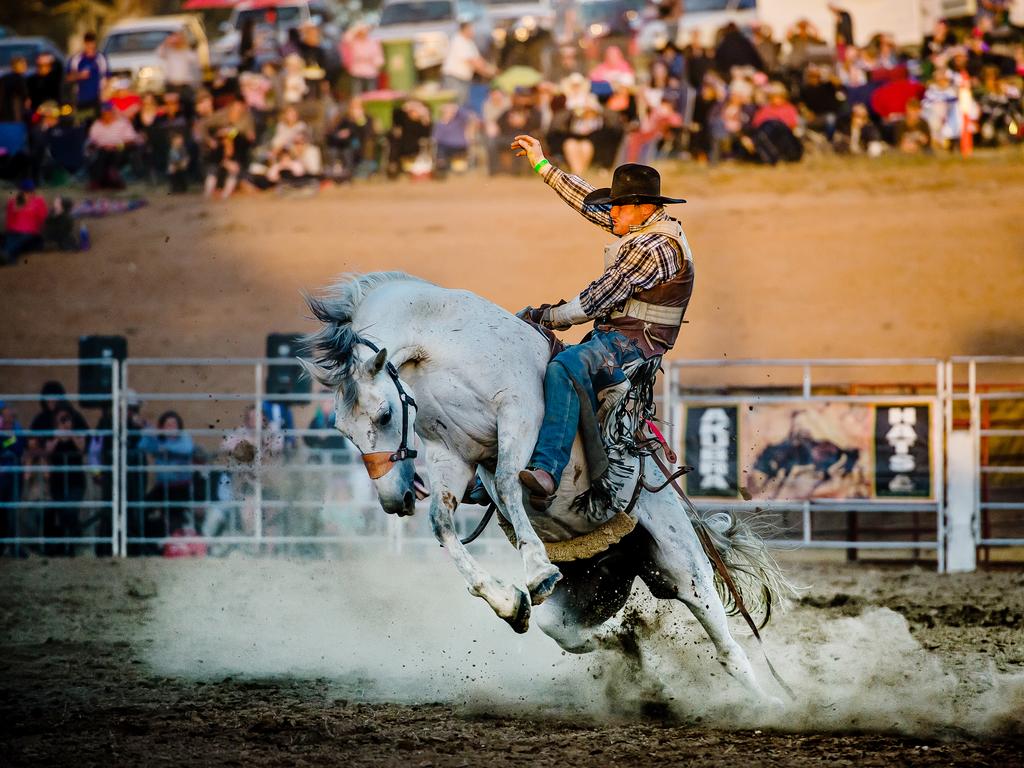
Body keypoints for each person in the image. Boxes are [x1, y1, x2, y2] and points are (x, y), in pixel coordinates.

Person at [509, 136, 693, 507]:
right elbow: (589, 202)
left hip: (633, 345)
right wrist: (543, 166)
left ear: (640, 208)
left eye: (618, 207)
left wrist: (545, 316)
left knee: (563, 369)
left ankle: (547, 469)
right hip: (617, 338)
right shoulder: (644, 228)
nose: (610, 213)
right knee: (548, 364)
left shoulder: (653, 248)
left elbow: (596, 300)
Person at [137, 410, 195, 540]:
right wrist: (148, 431)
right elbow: (142, 446)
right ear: (162, 427)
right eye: (167, 425)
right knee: (143, 508)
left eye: (174, 424)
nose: (171, 427)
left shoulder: (183, 437)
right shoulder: (159, 440)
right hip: (162, 486)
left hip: (180, 487)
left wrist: (163, 446)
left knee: (175, 516)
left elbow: (187, 449)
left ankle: (175, 543)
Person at [441, 22, 493, 104]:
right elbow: (472, 62)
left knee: (464, 102)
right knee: (458, 103)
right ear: (465, 30)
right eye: (471, 29)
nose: (473, 32)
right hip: (454, 78)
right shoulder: (458, 41)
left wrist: (492, 69)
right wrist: (489, 74)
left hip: (464, 79)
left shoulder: (469, 42)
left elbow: (478, 59)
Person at [2, 179, 48, 265]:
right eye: (26, 191)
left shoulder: (38, 201)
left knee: (20, 239)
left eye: (30, 191)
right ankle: (8, 256)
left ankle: (6, 254)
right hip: (14, 232)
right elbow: (9, 220)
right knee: (13, 239)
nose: (29, 193)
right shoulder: (12, 202)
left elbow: (43, 218)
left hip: (31, 234)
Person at [66, 32, 108, 122]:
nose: (90, 47)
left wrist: (105, 94)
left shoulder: (101, 58)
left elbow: (107, 77)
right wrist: (79, 75)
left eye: (92, 44)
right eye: (88, 44)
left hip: (97, 98)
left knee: (96, 122)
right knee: (81, 121)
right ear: (85, 44)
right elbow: (68, 78)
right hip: (80, 99)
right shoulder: (76, 59)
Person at [341, 22, 384, 95]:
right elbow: (345, 38)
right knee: (357, 94)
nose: (363, 33)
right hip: (357, 72)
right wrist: (356, 28)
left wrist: (376, 64)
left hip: (370, 72)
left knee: (371, 94)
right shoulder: (353, 41)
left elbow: (378, 56)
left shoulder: (372, 42)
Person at [0, 55, 29, 122]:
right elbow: (25, 96)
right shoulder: (21, 79)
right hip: (15, 115)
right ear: (15, 66)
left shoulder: (4, 78)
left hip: (4, 115)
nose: (25, 67)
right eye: (23, 65)